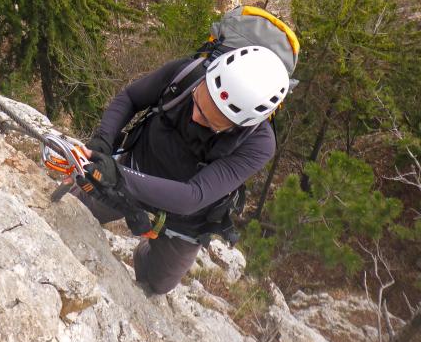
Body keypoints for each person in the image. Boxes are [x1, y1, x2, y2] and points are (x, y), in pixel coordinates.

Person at [74, 43, 290, 295]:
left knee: (158, 283)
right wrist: (102, 143)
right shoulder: (188, 73)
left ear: (242, 124)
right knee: (72, 210)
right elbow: (131, 98)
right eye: (198, 101)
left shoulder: (259, 144)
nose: (195, 117)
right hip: (136, 168)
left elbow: (193, 195)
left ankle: (146, 254)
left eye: (211, 121)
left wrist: (119, 177)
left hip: (185, 219)